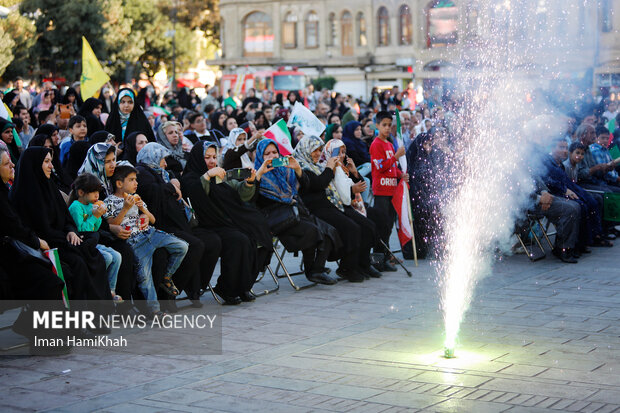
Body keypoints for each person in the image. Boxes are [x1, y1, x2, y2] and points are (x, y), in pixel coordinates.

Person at [10, 147, 113, 327]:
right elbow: (38, 229)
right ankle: (79, 322)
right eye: (46, 162)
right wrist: (65, 236)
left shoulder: (50, 186)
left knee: (95, 256)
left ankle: (98, 318)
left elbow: (65, 218)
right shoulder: (24, 193)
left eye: (51, 161)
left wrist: (71, 231)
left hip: (62, 239)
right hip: (45, 246)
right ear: (35, 164)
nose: (51, 166)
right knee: (79, 262)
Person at [180, 141, 272, 304]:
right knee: (239, 240)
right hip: (206, 226)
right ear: (198, 158)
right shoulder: (190, 178)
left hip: (226, 222)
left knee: (259, 235)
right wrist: (207, 176)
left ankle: (243, 286)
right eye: (207, 157)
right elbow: (196, 194)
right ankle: (226, 288)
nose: (211, 161)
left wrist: (250, 182)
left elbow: (241, 196)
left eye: (214, 157)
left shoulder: (219, 177)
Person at [135, 143, 220, 308]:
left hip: (177, 223)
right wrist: (170, 186)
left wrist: (171, 183)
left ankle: (182, 290)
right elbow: (153, 192)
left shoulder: (161, 173)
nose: (165, 164)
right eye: (162, 160)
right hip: (160, 225)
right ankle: (169, 292)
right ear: (152, 158)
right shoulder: (143, 172)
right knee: (194, 245)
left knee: (210, 242)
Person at [103, 165, 188, 317]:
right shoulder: (109, 201)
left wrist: (144, 210)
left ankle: (166, 277)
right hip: (134, 241)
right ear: (119, 183)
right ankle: (154, 310)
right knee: (145, 277)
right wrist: (125, 208)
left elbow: (153, 220)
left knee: (182, 246)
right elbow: (112, 225)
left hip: (149, 233)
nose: (136, 183)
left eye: (136, 180)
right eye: (131, 180)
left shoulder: (137, 198)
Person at [294, 135, 381, 282]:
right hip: (316, 209)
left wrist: (352, 173)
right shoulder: (302, 168)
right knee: (352, 227)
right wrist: (329, 168)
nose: (317, 153)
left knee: (368, 225)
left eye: (320, 150)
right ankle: (347, 267)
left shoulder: (317, 165)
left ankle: (362, 263)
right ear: (305, 150)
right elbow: (318, 184)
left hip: (332, 205)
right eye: (314, 150)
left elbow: (355, 187)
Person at [254, 139, 339, 285]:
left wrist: (297, 169)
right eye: (267, 154)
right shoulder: (257, 175)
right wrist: (258, 175)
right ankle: (312, 271)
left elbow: (307, 187)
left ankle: (316, 269)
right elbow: (252, 198)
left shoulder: (285, 170)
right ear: (260, 156)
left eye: (274, 152)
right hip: (279, 220)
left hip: (296, 212)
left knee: (329, 230)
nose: (272, 156)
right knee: (312, 231)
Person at [68, 173, 124, 302]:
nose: (97, 196)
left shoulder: (91, 205)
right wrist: (95, 216)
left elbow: (96, 228)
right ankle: (100, 289)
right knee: (107, 258)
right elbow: (82, 229)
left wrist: (99, 215)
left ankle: (110, 290)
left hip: (93, 241)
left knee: (117, 256)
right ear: (81, 192)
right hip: (83, 243)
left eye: (98, 192)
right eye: (93, 192)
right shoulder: (76, 207)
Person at [369, 111, 408, 271]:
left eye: (389, 125)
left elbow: (392, 168)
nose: (386, 128)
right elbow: (381, 166)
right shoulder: (376, 144)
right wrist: (396, 156)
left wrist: (401, 175)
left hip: (392, 190)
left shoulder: (390, 144)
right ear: (377, 125)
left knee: (389, 226)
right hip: (381, 192)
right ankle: (378, 259)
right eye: (383, 125)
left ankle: (385, 257)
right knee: (381, 226)